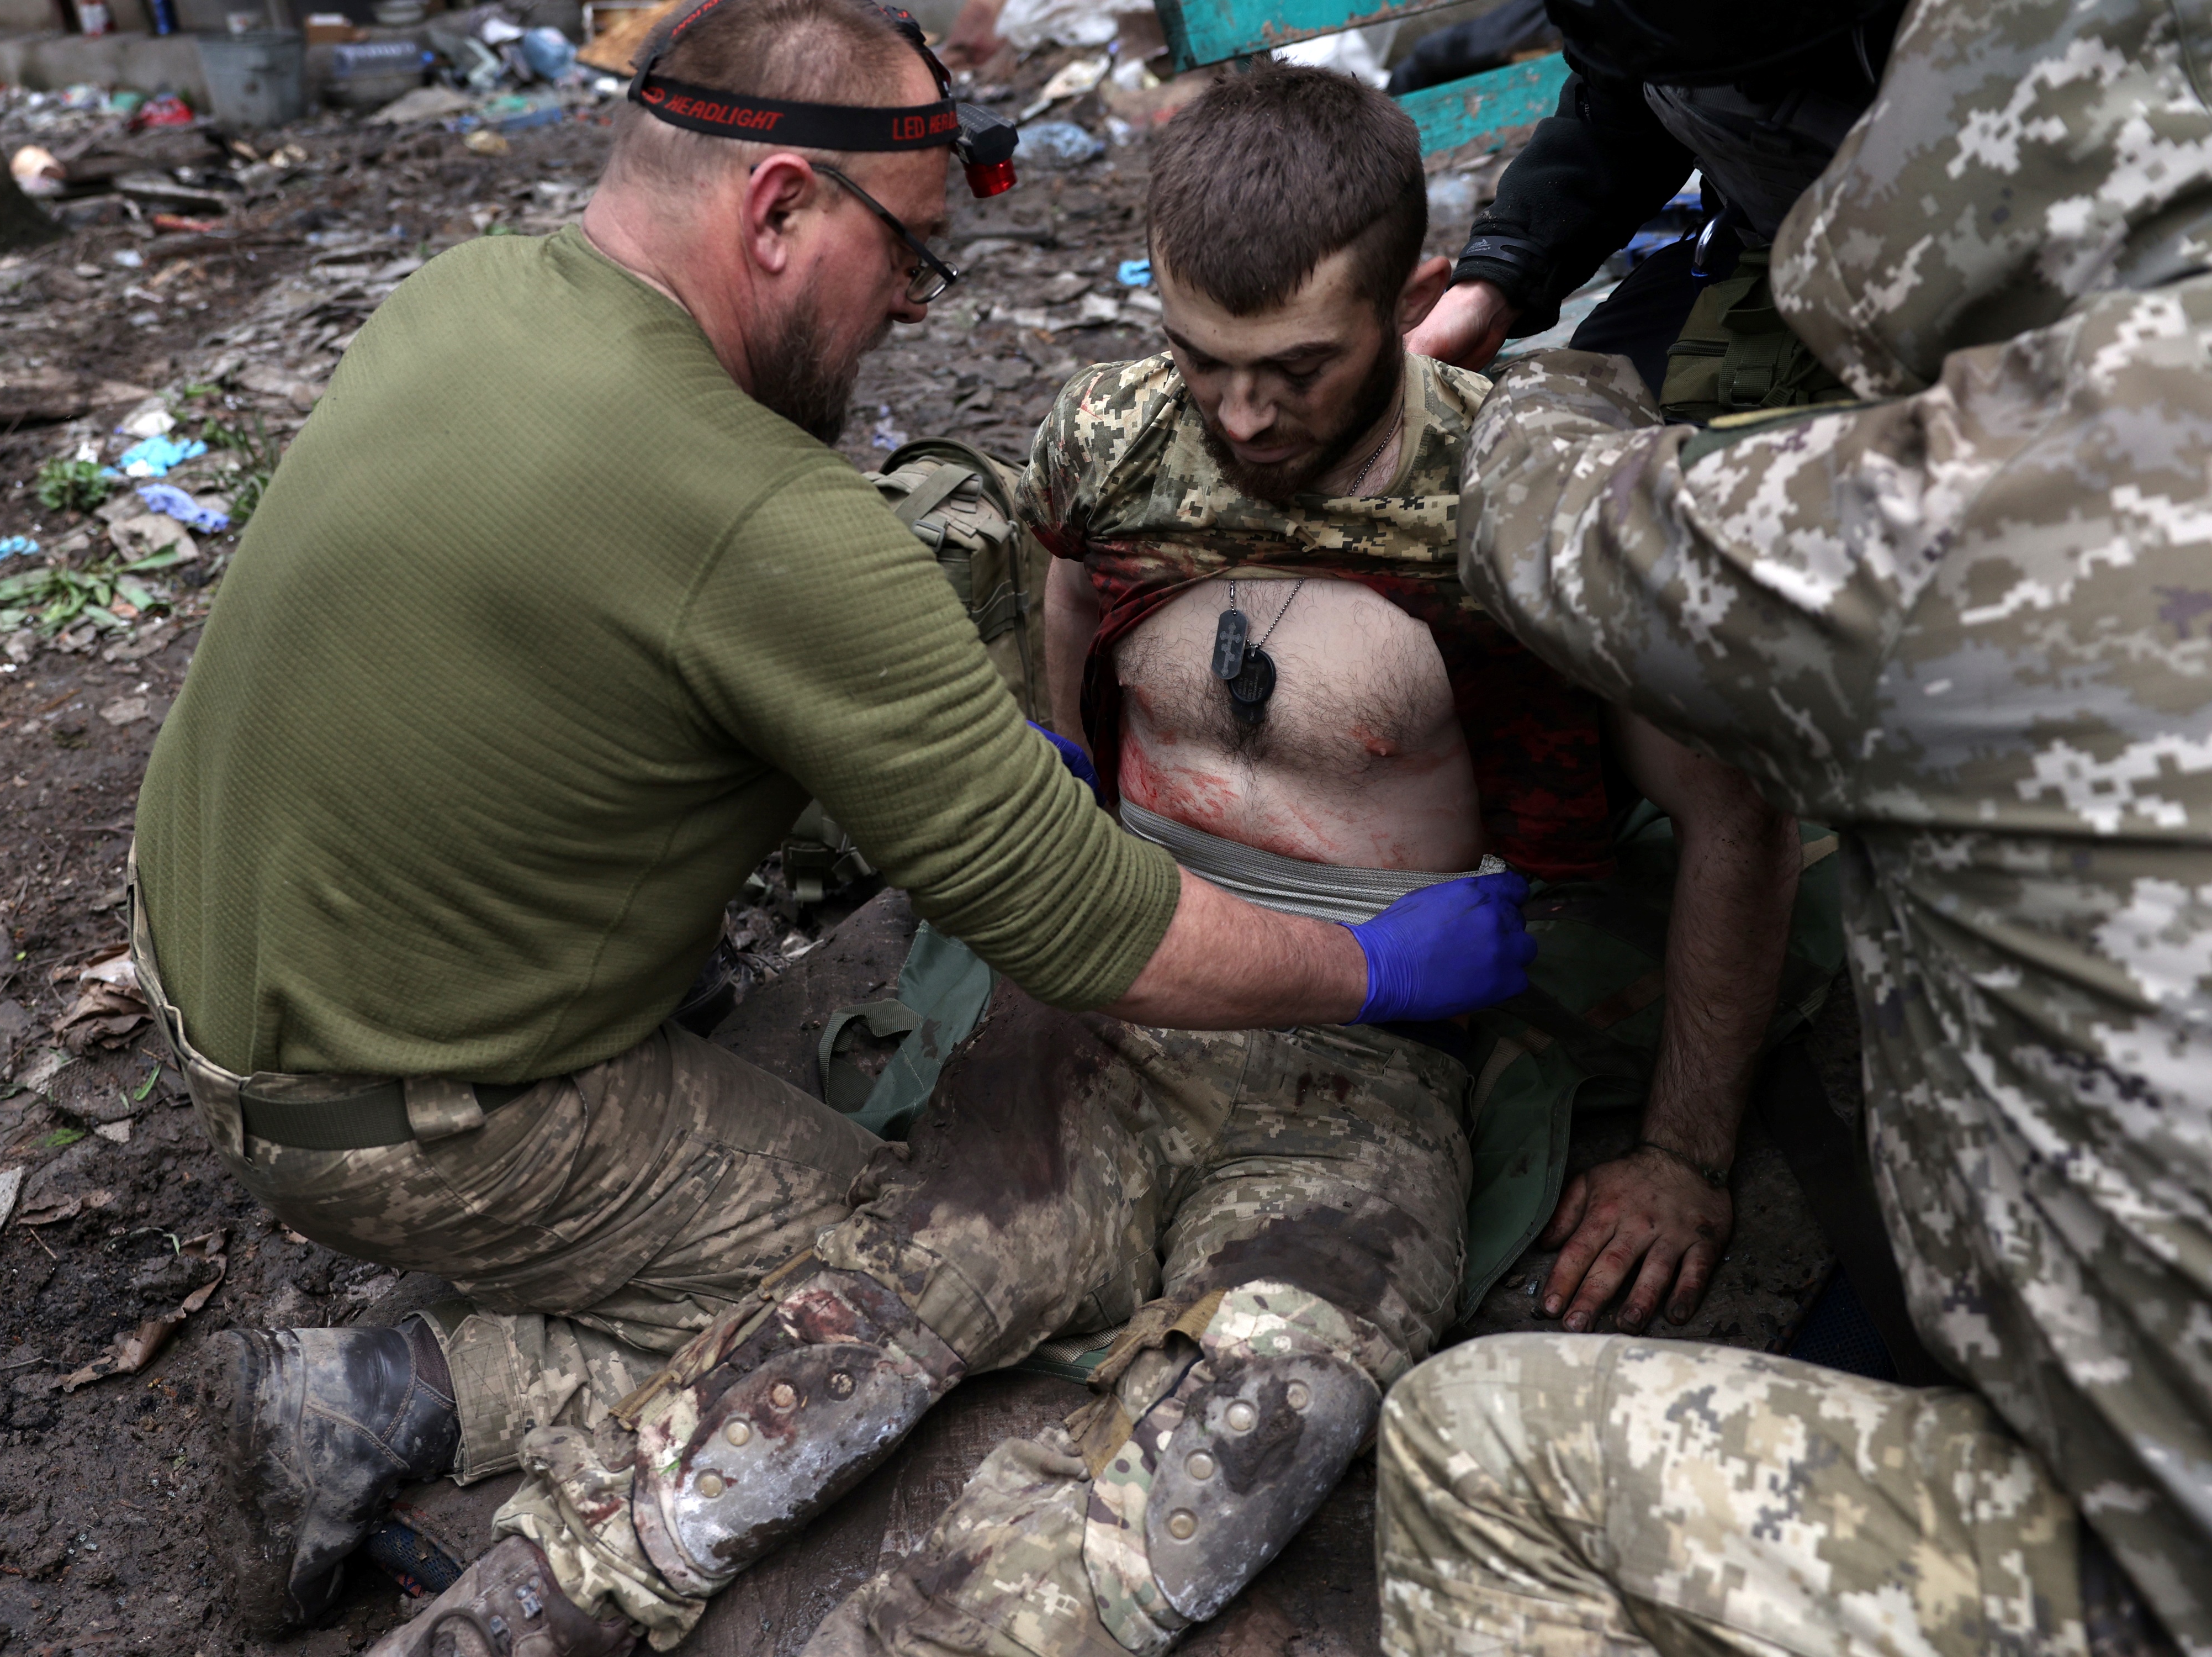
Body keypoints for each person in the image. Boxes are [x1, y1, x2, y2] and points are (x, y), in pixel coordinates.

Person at [129, 0, 1532, 1650]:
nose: (904, 318)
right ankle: (412, 1400)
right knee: (906, 1277)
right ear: (782, 208)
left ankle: (411, 1446)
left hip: (225, 968)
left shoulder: (473, 288)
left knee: (1053, 1315)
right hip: (405, 1104)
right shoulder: (776, 524)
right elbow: (1090, 925)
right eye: (913, 266)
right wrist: (1378, 969)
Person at [770, 62, 1834, 1657]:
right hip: (1155, 958)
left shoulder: (1517, 503)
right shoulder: (1120, 436)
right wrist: (1069, 789)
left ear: (1412, 301)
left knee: (1251, 1417)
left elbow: (1734, 818)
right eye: (1205, 361)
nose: (1246, 417)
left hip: (1388, 1030)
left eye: (1297, 370)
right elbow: (1069, 576)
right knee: (892, 1298)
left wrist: (1684, 1154)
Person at [1380, 0, 2212, 1650]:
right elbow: (1618, 98)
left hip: (2154, 1531)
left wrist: (1548, 385)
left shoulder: (1914, 526)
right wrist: (1512, 265)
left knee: (1473, 1453)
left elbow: (1548, 521)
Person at [1407, 0, 1904, 401]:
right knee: (1580, 391)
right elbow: (1620, 107)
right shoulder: (1632, 23)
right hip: (1761, 249)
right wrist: (1494, 284)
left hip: (1935, 280)